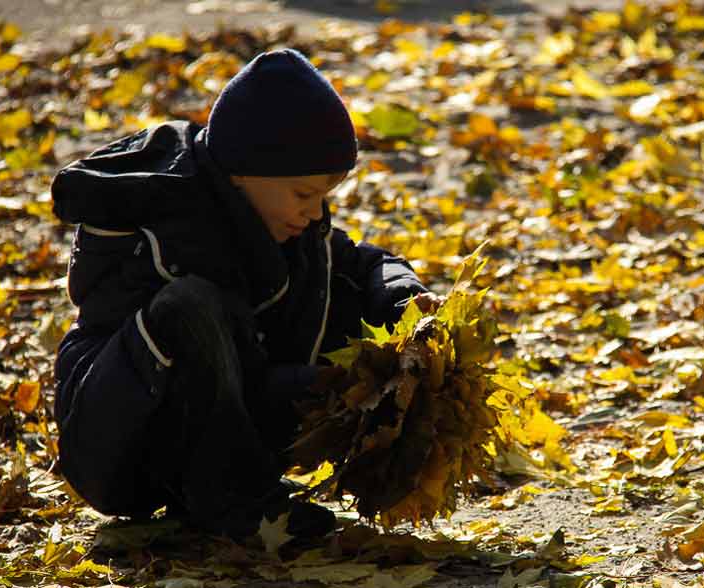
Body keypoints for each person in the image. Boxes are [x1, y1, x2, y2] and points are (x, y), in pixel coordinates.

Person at [51, 48, 438, 540]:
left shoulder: (283, 222)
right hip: (119, 440)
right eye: (304, 194)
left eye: (325, 197)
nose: (315, 212)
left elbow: (357, 263)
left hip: (218, 438)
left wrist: (407, 301)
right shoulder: (174, 233)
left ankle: (236, 494)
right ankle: (243, 507)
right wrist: (322, 385)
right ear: (241, 173)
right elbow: (225, 370)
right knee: (190, 309)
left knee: (340, 286)